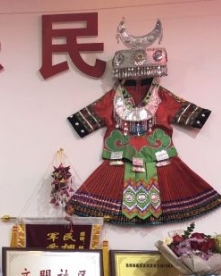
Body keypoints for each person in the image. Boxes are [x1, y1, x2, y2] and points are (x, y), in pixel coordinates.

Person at [65, 18, 221, 225]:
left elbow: (197, 117)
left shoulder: (162, 97)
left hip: (160, 160)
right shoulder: (112, 99)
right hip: (119, 161)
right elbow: (81, 122)